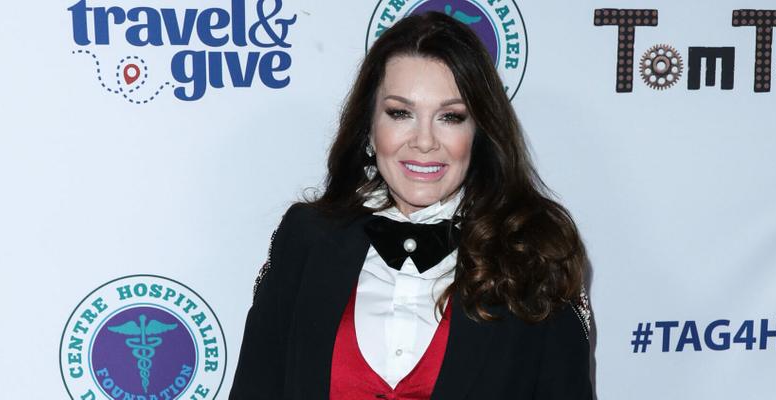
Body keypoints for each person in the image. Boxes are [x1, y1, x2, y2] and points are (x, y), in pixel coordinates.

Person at [230, 11, 592, 400]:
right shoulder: (305, 240)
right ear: (369, 126)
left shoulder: (534, 254)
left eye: (450, 117)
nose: (423, 141)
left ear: (479, 133)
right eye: (400, 113)